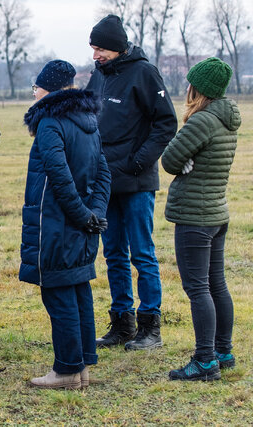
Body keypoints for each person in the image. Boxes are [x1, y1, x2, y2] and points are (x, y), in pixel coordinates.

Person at [85, 15, 177, 350]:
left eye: (100, 48)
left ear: (117, 47)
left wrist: (140, 160)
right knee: (113, 254)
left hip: (137, 181)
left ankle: (150, 326)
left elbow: (166, 123)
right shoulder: (98, 76)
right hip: (104, 181)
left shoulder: (145, 73)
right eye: (93, 48)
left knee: (142, 253)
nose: (95, 54)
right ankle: (121, 323)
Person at [20, 60, 111, 389]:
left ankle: (67, 370)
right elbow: (103, 172)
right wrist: (94, 214)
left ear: (47, 90)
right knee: (77, 289)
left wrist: (83, 215)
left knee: (58, 293)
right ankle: (83, 366)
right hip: (82, 224)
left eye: (36, 88)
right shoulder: (88, 118)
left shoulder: (49, 121)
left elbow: (59, 178)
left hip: (56, 225)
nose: (34, 94)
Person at [161, 58, 240, 381]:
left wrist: (184, 162)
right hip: (216, 213)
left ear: (199, 90)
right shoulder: (226, 119)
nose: (186, 88)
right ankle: (223, 350)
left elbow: (169, 160)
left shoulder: (202, 122)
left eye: (190, 84)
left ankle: (205, 361)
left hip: (195, 216)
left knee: (198, 289)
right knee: (216, 284)